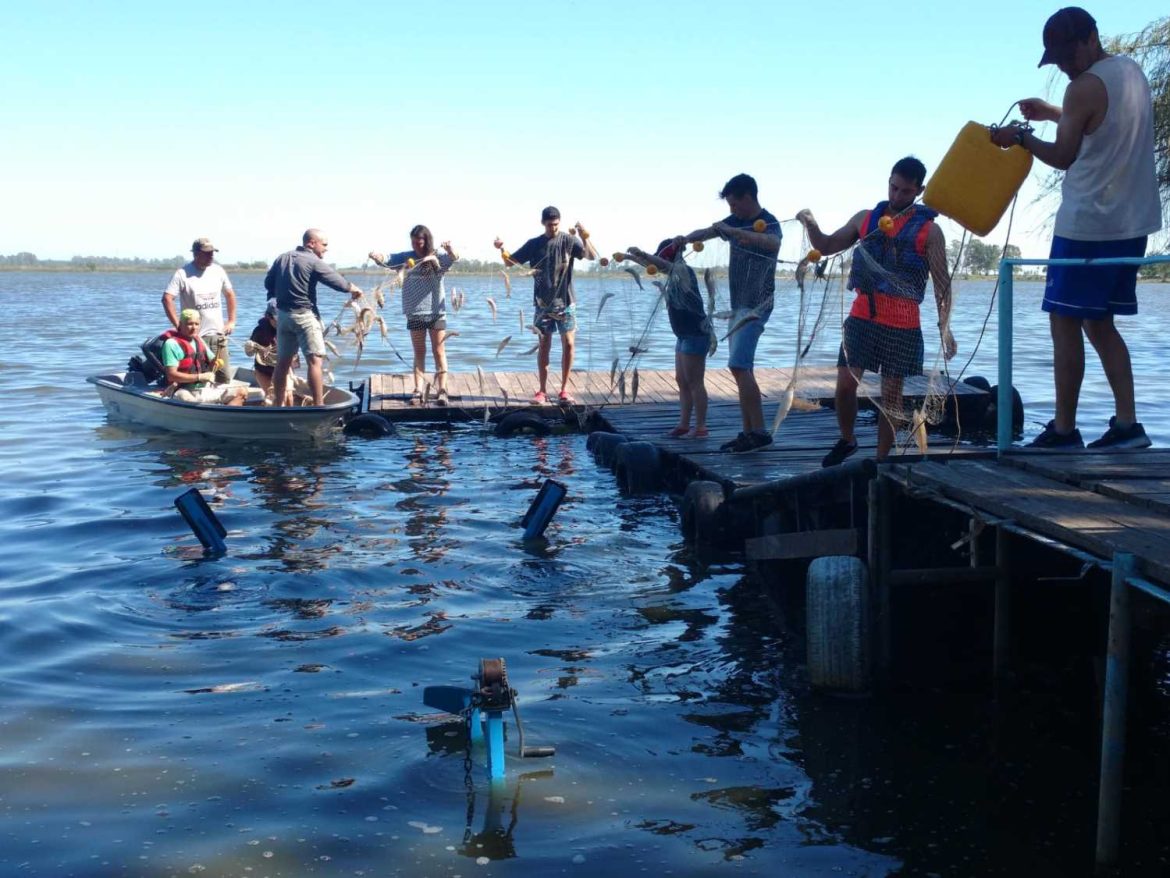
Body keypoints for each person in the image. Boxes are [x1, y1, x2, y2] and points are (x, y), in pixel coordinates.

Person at [990, 7, 1161, 449]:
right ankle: (1128, 426)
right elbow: (1101, 124)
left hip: (1088, 223)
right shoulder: (1131, 72)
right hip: (1131, 223)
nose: (1064, 65)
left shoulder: (1083, 87)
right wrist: (1052, 112)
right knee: (1100, 324)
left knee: (1064, 322)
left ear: (1090, 38)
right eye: (1057, 58)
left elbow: (1064, 155)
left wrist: (1021, 138)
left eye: (1068, 54)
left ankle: (1064, 430)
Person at [797, 156, 957, 467]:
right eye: (893, 188)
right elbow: (827, 245)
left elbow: (943, 285)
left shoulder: (930, 232)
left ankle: (882, 461)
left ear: (919, 190)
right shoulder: (866, 219)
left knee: (891, 397)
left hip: (903, 323)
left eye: (905, 192)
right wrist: (809, 222)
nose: (897, 197)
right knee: (845, 384)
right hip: (862, 317)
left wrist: (945, 327)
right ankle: (848, 439)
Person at [674, 173, 781, 453]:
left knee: (738, 365)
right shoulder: (734, 221)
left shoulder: (769, 222)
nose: (731, 211)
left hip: (757, 306)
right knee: (740, 368)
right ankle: (748, 431)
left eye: (734, 205)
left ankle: (759, 432)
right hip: (738, 307)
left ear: (748, 197)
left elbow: (772, 243)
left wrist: (735, 232)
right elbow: (708, 232)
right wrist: (685, 238)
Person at [494, 206, 597, 404]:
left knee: (568, 344)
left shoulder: (568, 240)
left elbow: (591, 255)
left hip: (566, 302)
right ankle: (541, 390)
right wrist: (501, 249)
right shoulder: (534, 244)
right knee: (544, 345)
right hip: (543, 304)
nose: (553, 228)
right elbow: (510, 263)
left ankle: (564, 390)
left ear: (560, 222)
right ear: (543, 223)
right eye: (550, 225)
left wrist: (585, 236)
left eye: (556, 224)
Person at [265, 228, 363, 407]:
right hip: (305, 316)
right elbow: (335, 280)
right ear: (311, 243)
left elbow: (268, 283)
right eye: (324, 245)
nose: (326, 249)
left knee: (283, 362)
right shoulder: (313, 260)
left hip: (284, 317)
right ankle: (318, 406)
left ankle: (277, 405)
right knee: (315, 361)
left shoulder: (281, 258)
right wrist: (352, 288)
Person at [623, 240, 710, 438]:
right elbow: (654, 266)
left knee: (695, 382)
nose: (661, 262)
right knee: (682, 381)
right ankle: (684, 424)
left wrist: (641, 252)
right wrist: (630, 257)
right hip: (682, 336)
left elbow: (662, 265)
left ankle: (701, 428)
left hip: (696, 334)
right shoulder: (672, 273)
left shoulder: (683, 271)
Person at [369, 226, 459, 406]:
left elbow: (453, 258)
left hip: (436, 312)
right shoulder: (405, 257)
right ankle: (418, 390)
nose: (416, 246)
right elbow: (388, 260)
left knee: (439, 351)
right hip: (414, 312)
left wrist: (449, 249)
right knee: (419, 352)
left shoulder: (437, 257)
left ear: (426, 241)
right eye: (413, 242)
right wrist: (377, 256)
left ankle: (442, 391)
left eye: (420, 242)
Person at [162, 237, 237, 383]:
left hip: (217, 334)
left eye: (212, 253)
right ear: (196, 254)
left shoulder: (218, 271)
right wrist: (178, 324)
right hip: (194, 337)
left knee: (223, 377)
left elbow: (230, 294)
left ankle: (219, 403)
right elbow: (167, 299)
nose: (211, 256)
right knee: (198, 375)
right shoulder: (182, 274)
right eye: (207, 253)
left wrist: (232, 321)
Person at [161, 309, 246, 406]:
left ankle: (223, 418)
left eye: (197, 324)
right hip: (182, 390)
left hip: (204, 389)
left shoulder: (198, 340)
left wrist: (219, 354)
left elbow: (212, 364)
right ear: (180, 324)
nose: (194, 328)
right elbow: (171, 375)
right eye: (190, 324)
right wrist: (199, 377)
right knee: (192, 402)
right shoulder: (171, 344)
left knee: (241, 392)